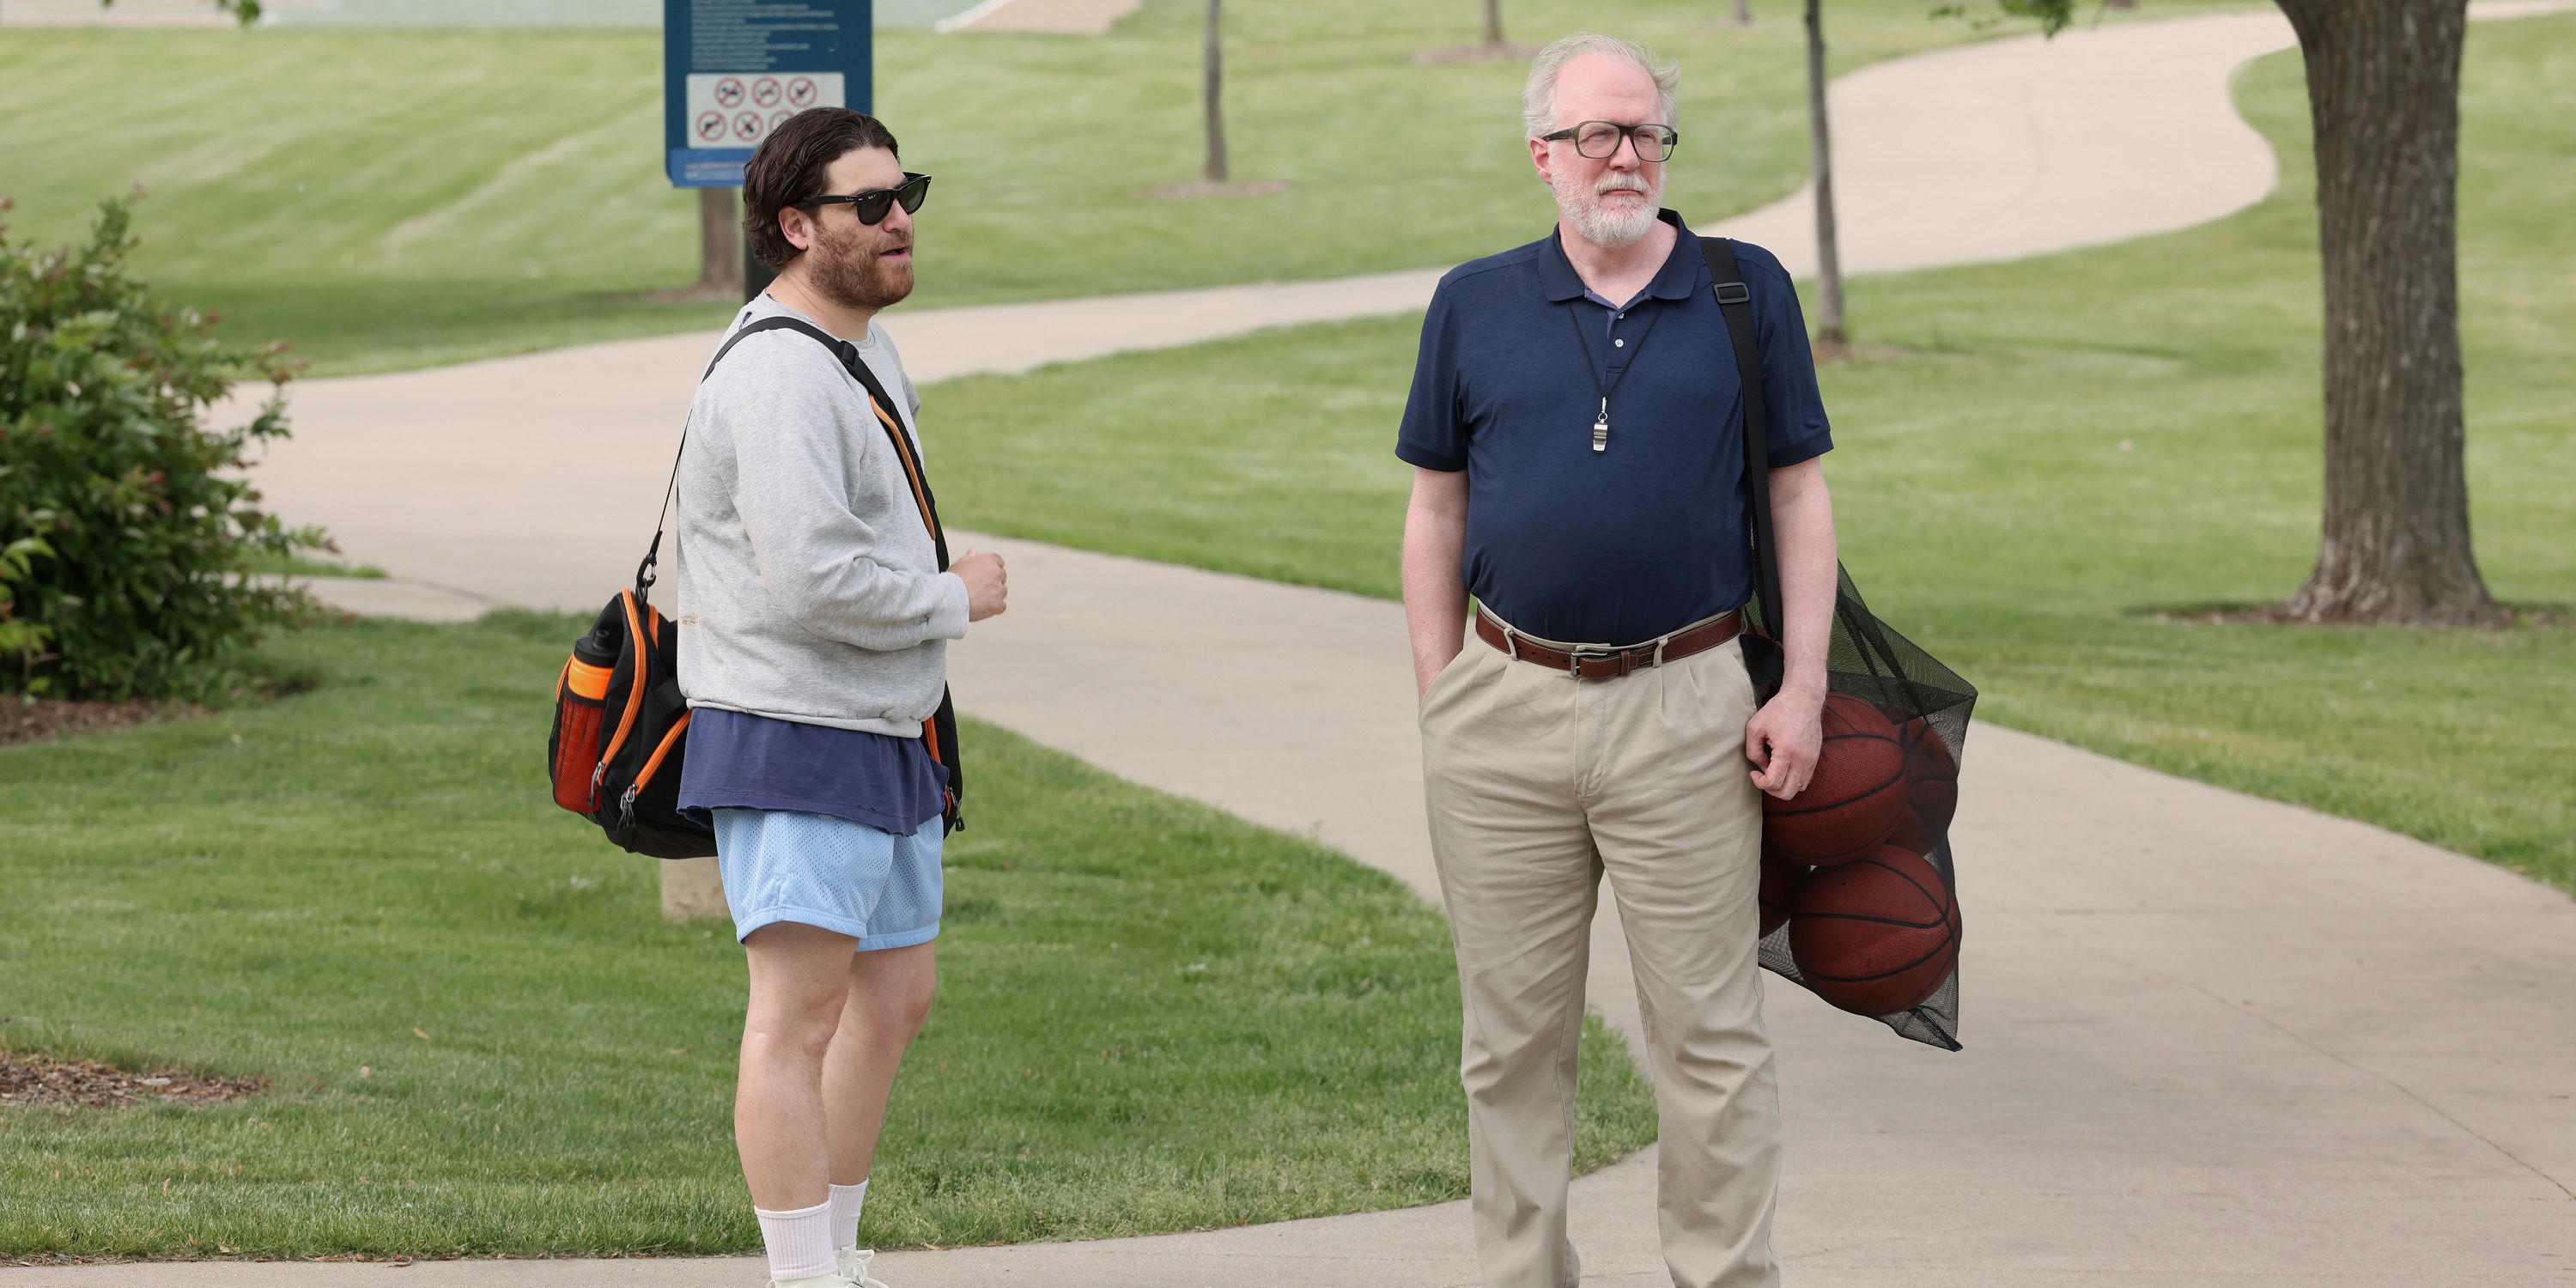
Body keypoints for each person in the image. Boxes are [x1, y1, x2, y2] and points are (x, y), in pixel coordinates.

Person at [1397, 33, 1843, 1288]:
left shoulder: (1744, 291)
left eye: (1645, 132)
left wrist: (1800, 686)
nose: (1624, 156)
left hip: (1690, 706)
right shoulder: (1473, 302)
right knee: (1512, 1045)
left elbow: (1799, 499)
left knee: (1708, 1040)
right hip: (1501, 710)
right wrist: (1443, 693)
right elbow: (1437, 511)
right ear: (1543, 155)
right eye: (1596, 133)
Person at [671, 106, 1008, 1288]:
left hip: (881, 728)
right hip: (792, 730)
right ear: (795, 228)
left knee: (895, 997)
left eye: (904, 192)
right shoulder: (778, 374)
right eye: (869, 205)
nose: (899, 218)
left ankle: (840, 1255)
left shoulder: (856, 349)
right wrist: (950, 598)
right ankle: (803, 1275)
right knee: (797, 1016)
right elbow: (811, 577)